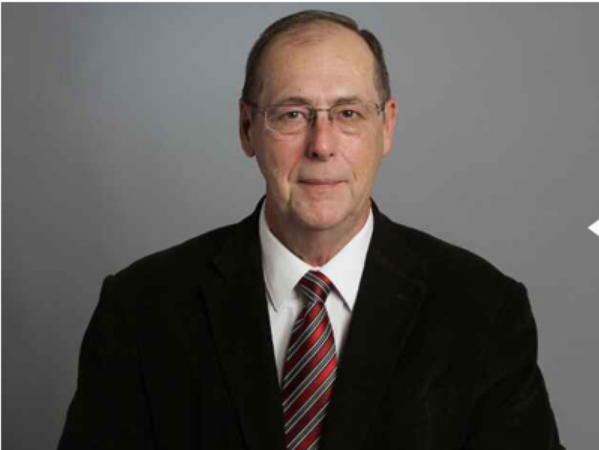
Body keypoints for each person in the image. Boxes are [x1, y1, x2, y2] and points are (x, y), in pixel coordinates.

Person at [58, 10, 566, 450]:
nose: (322, 145)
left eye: (348, 113)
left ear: (386, 126)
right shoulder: (142, 309)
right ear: (247, 128)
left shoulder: (483, 310)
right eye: (292, 114)